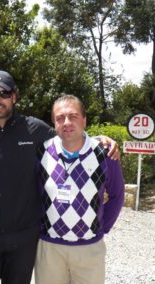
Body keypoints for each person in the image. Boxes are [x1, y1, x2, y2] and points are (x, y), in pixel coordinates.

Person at [0, 70, 120, 284]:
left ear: (14, 96)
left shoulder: (35, 129)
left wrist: (99, 140)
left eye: (4, 93)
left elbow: (69, 135)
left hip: (25, 239)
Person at [35, 94, 124, 284]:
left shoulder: (105, 153)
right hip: (50, 249)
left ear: (84, 120)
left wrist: (99, 227)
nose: (66, 122)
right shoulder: (42, 152)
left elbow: (117, 195)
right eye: (60, 118)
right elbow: (33, 195)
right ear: (54, 123)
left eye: (73, 116)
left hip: (89, 250)